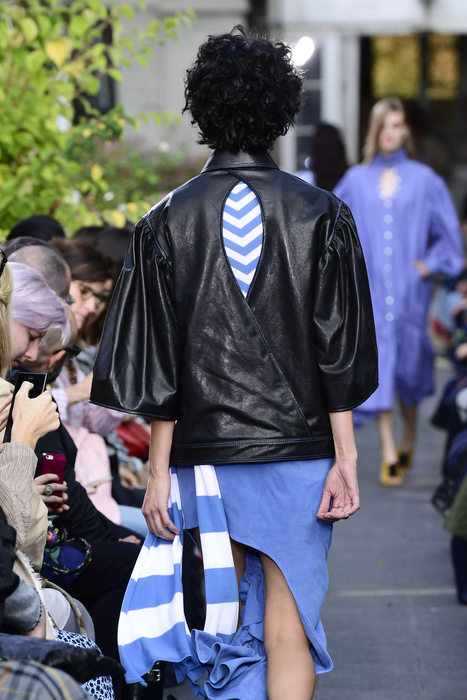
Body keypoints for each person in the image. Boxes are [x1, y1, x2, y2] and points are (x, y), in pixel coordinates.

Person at [91, 27, 378, 700]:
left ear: (204, 107)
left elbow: (157, 363)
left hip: (205, 458)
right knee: (287, 626)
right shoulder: (321, 213)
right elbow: (337, 350)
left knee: (229, 625)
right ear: (281, 108)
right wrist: (346, 457)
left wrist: (157, 475)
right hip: (299, 452)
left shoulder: (165, 220)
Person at [334, 97, 463, 486]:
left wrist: (426, 265)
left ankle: (408, 438)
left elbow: (448, 239)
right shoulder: (355, 180)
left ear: (405, 130)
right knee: (382, 365)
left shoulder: (426, 180)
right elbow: (332, 229)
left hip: (410, 294)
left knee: (409, 369)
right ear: (374, 131)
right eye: (383, 126)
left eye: (396, 125)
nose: (389, 133)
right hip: (372, 292)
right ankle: (389, 451)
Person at [296, 121, 348, 191]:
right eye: (318, 148)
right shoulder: (304, 181)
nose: (323, 156)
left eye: (328, 149)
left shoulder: (350, 181)